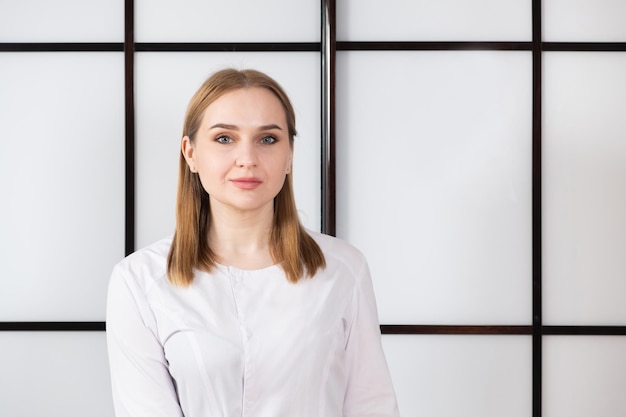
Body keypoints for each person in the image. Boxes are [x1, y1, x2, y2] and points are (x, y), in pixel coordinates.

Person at [106, 68, 400, 417]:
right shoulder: (139, 280)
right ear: (190, 153)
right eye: (225, 139)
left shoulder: (343, 270)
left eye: (268, 139)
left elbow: (372, 405)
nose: (247, 159)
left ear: (290, 154)